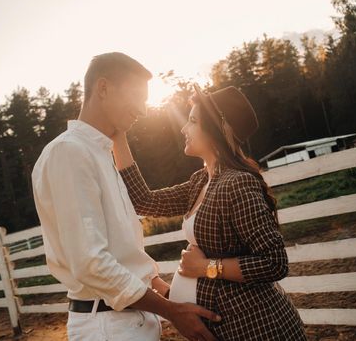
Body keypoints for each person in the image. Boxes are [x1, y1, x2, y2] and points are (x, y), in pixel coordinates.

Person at [31, 52, 220, 341]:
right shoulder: (69, 153)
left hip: (126, 318)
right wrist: (171, 310)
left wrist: (165, 294)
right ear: (103, 88)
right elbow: (91, 263)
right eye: (136, 97)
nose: (143, 110)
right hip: (108, 324)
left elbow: (121, 252)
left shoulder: (98, 153)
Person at [113, 83, 307, 340]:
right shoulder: (200, 181)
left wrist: (207, 267)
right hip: (230, 330)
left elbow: (274, 262)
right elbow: (144, 201)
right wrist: (118, 136)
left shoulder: (237, 182)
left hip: (258, 329)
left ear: (220, 128)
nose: (184, 127)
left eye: (193, 120)